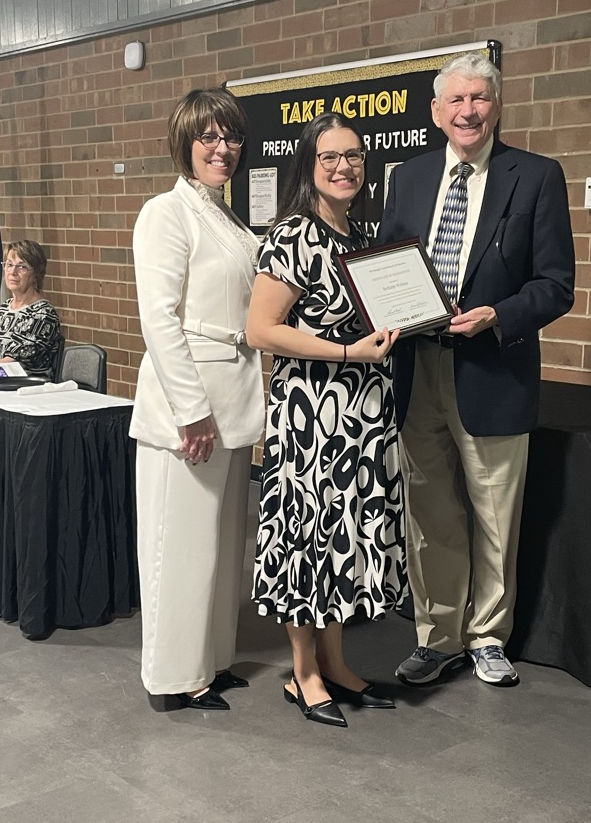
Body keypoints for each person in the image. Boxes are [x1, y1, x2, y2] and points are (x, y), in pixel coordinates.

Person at [378, 52, 575, 688]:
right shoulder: (408, 177)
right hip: (417, 369)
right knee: (429, 514)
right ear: (436, 112)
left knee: (495, 516)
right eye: (456, 101)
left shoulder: (537, 176)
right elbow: (388, 263)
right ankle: (437, 637)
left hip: (494, 370)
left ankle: (488, 636)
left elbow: (556, 285)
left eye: (480, 98)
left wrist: (499, 314)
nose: (468, 111)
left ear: (497, 105)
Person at [246, 112, 406, 728]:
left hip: (362, 415)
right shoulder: (293, 234)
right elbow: (261, 330)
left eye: (355, 156)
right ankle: (303, 672)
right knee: (308, 539)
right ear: (309, 165)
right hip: (313, 415)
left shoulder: (361, 234)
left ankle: (336, 662)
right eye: (330, 156)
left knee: (346, 538)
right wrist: (346, 352)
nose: (345, 167)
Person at [130, 88, 265, 711]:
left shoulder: (229, 219)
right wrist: (191, 410)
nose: (222, 148)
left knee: (219, 545)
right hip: (189, 408)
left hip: (233, 398)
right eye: (208, 137)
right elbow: (159, 319)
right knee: (178, 548)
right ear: (184, 143)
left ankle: (210, 660)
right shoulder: (166, 212)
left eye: (231, 137)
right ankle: (173, 677)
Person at [0, 239, 61, 379]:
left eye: (22, 267)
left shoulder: (43, 313)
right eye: (9, 265)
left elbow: (15, 362)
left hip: (28, 387)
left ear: (36, 274)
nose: (13, 272)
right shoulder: (5, 308)